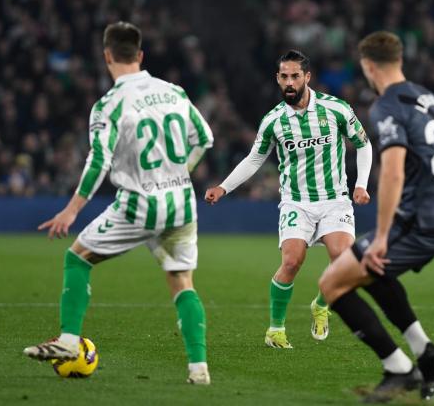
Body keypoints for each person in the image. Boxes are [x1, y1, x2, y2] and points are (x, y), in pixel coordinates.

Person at [23, 22, 214, 385]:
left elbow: (98, 162)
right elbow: (205, 137)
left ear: (107, 55)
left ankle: (66, 340)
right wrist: (181, 172)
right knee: (181, 281)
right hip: (181, 203)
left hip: (138, 204)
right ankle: (198, 368)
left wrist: (72, 210)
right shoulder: (173, 91)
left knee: (77, 257)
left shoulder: (109, 105)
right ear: (140, 56)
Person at [318, 31, 434, 402]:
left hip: (421, 220)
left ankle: (399, 368)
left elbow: (392, 172)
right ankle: (426, 353)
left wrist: (380, 236)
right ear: (400, 61)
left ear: (368, 66)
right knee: (375, 272)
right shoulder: (429, 98)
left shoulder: (387, 105)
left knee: (332, 284)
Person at [205, 50, 372, 349]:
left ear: (307, 77)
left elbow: (364, 144)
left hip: (335, 199)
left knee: (343, 260)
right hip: (296, 201)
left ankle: (322, 304)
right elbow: (254, 159)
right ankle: (275, 330)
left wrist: (360, 184)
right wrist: (223, 187)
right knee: (293, 261)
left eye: (295, 76)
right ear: (277, 79)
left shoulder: (336, 109)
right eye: (284, 76)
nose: (290, 82)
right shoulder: (273, 121)